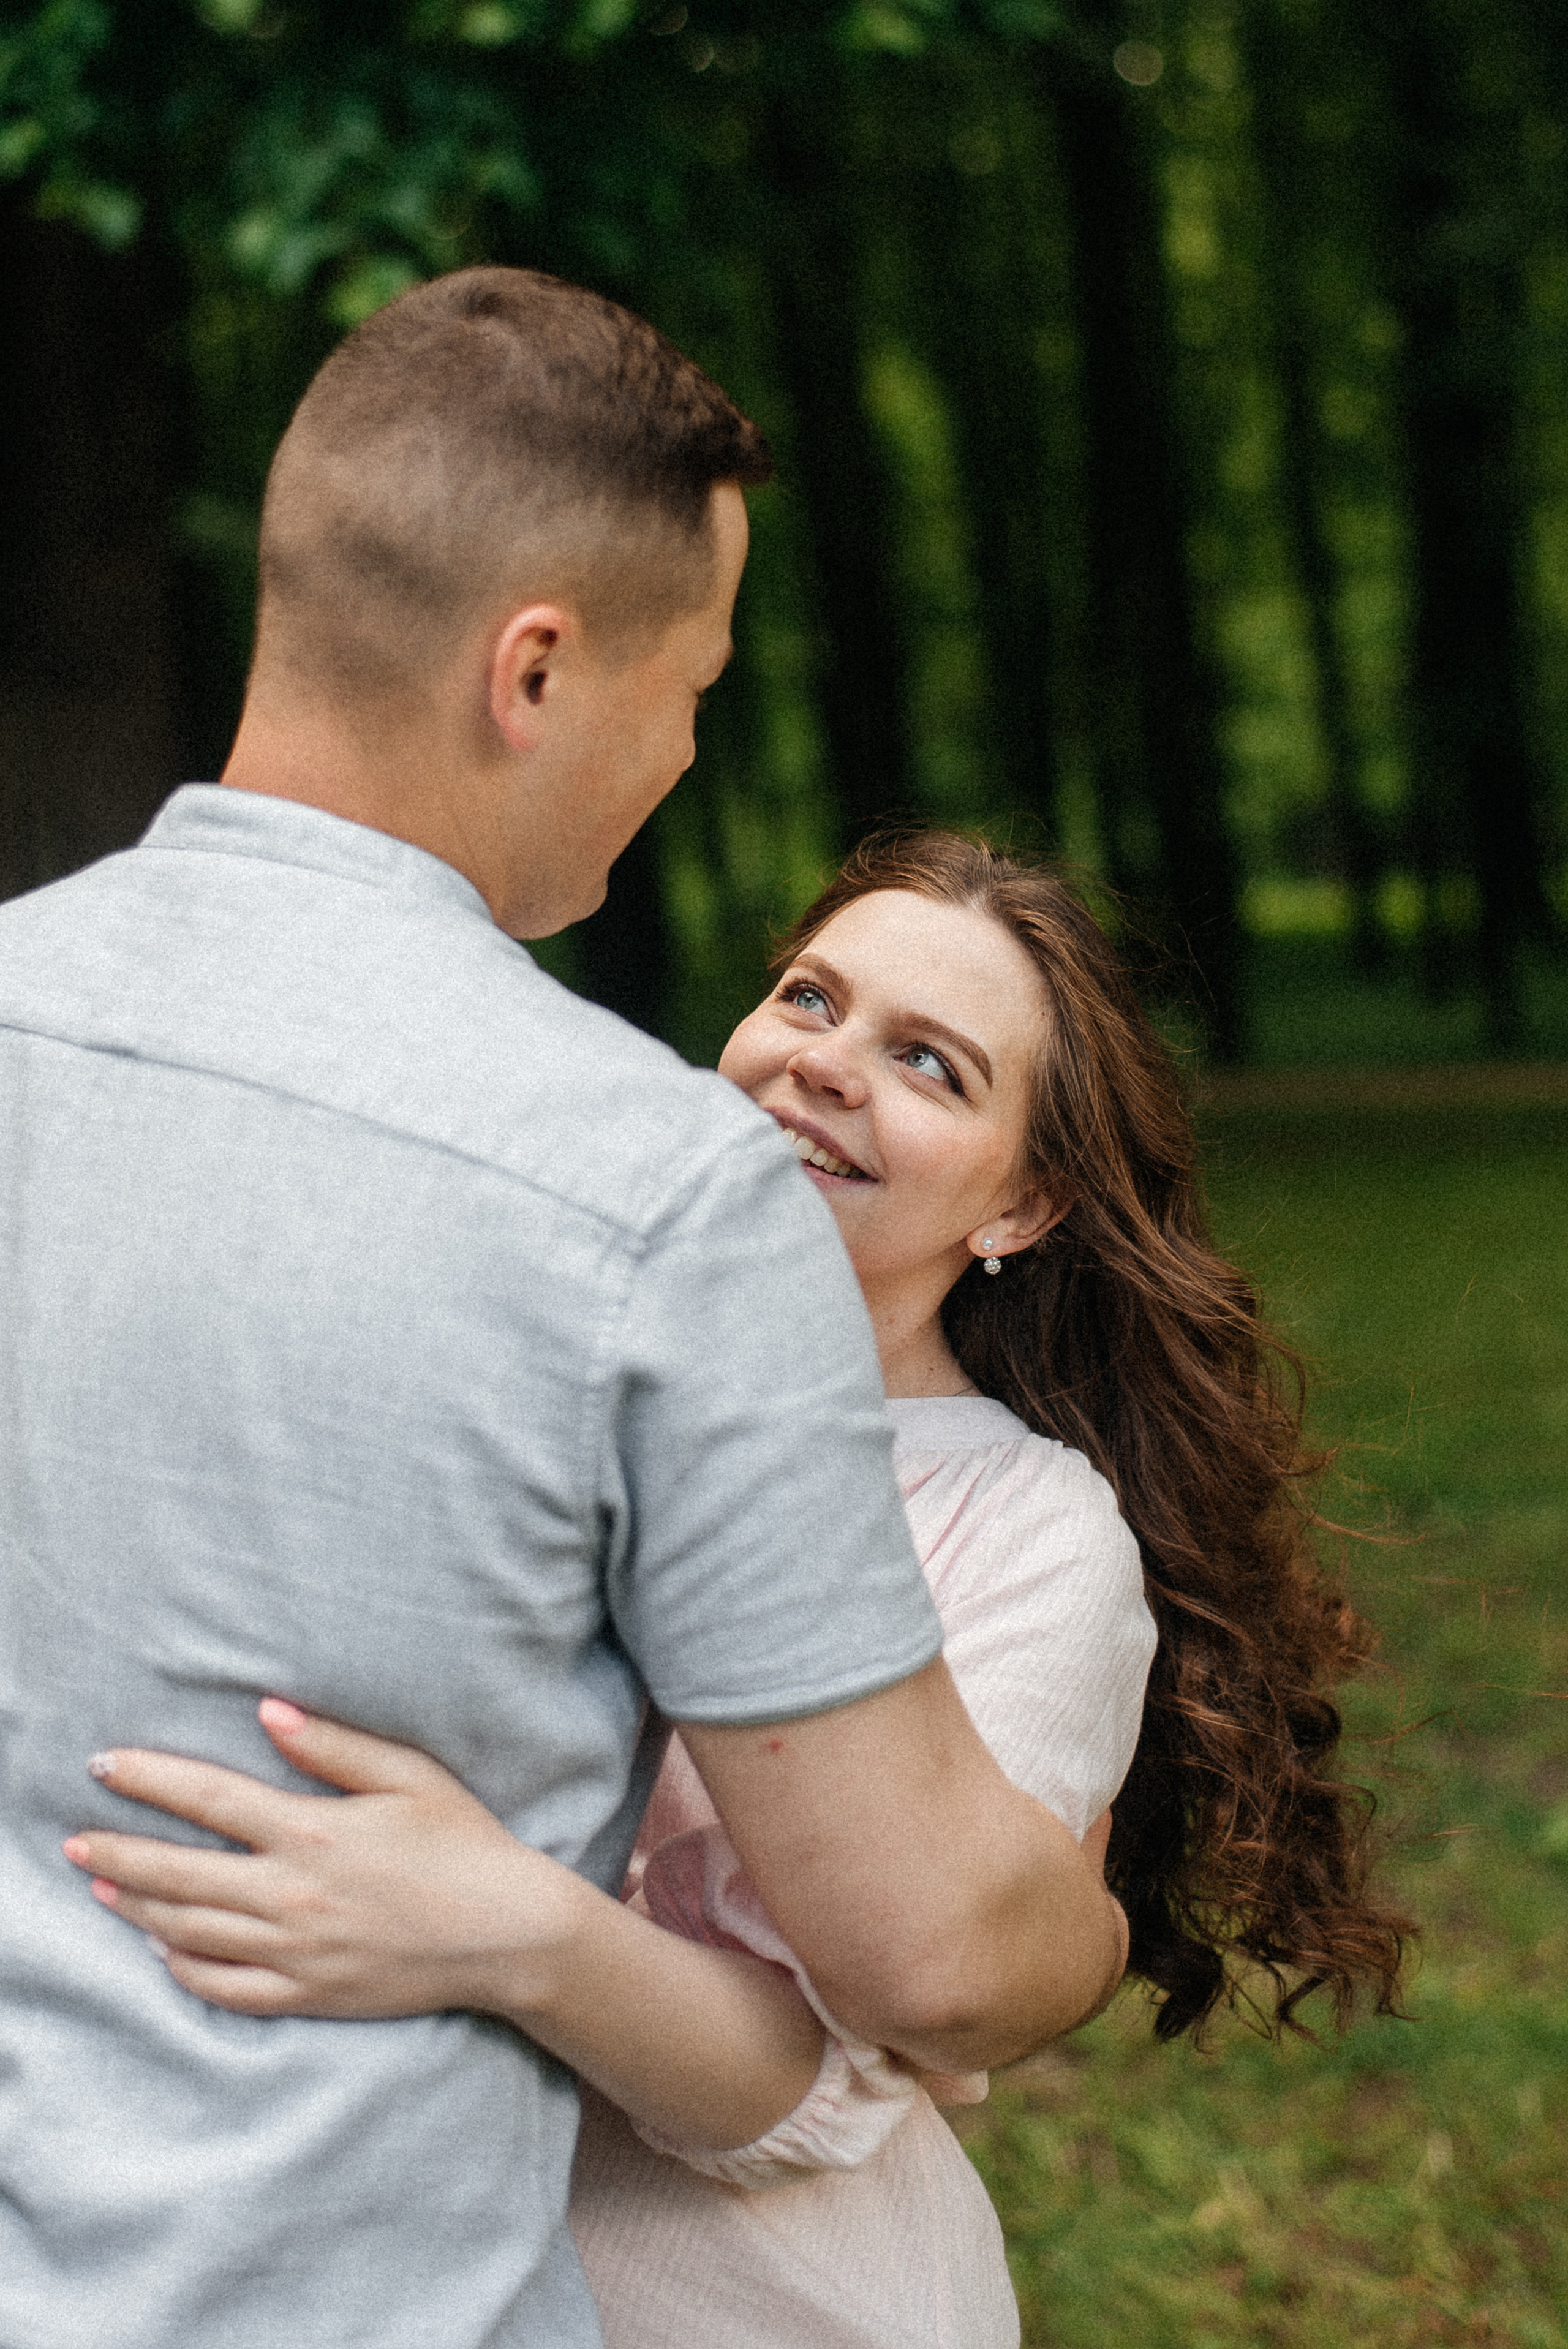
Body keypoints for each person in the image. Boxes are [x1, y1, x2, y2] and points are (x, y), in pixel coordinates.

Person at [0, 273, 1127, 2349]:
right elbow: (944, 1955)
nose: (691, 743)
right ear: (537, 668)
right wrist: (1079, 1907)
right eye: (689, 680)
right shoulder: (645, 1188)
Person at [70, 836, 1409, 2348]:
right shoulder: (523, 1378)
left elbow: (829, 2075)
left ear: (1020, 1209)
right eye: (807, 997)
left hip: (763, 2303)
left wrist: (507, 1927)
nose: (826, 1063)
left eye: (926, 1062)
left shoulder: (1031, 1534)